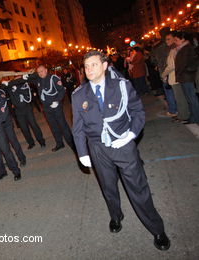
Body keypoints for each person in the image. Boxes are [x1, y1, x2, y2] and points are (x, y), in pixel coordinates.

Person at [71, 50, 170, 251]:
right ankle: (116, 216)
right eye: (86, 66)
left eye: (94, 64)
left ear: (105, 65)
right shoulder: (79, 95)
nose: (89, 69)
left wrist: (131, 135)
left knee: (138, 187)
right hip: (97, 148)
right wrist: (82, 153)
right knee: (108, 187)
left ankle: (157, 229)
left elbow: (137, 112)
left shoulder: (121, 86)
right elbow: (78, 127)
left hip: (122, 144)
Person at [25, 65, 76, 153]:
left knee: (62, 125)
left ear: (46, 70)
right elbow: (28, 78)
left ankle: (72, 144)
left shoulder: (53, 78)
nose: (40, 73)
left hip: (55, 106)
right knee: (53, 126)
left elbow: (62, 90)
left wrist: (57, 101)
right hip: (46, 108)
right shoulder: (38, 80)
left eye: (42, 71)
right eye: (39, 72)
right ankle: (59, 143)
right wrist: (29, 73)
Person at [2, 79, 45, 149]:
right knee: (24, 128)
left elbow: (27, 93)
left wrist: (16, 89)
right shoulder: (9, 87)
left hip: (27, 108)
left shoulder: (22, 84)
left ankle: (41, 141)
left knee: (34, 125)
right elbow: (2, 89)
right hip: (18, 111)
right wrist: (4, 83)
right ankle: (31, 142)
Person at [161, 31, 190, 122]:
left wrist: (163, 74)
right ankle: (182, 115)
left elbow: (171, 66)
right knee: (180, 98)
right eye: (165, 39)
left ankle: (183, 116)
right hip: (177, 77)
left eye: (169, 39)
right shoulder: (173, 49)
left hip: (176, 77)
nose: (166, 41)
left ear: (174, 39)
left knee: (180, 99)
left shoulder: (174, 49)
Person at [173, 31, 199, 124]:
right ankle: (193, 117)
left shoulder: (186, 48)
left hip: (186, 76)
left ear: (183, 39)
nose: (174, 42)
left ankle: (196, 118)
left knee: (191, 98)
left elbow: (183, 64)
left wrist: (179, 73)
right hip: (185, 76)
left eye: (176, 40)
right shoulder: (183, 48)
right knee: (190, 98)